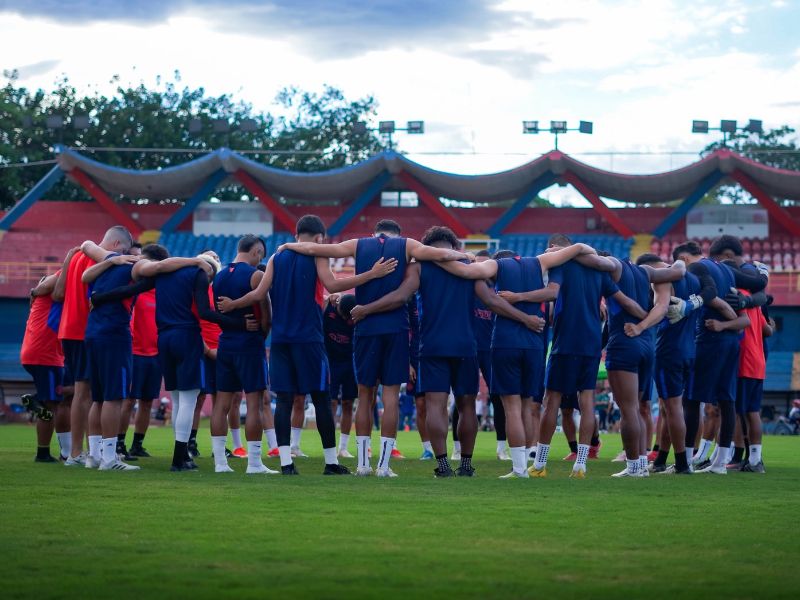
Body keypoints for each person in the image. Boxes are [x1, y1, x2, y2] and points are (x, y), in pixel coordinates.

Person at [278, 218, 467, 478]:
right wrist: (464, 255)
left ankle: (362, 466)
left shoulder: (358, 245)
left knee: (364, 397)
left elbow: (315, 249)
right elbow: (440, 253)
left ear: (374, 233)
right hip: (396, 329)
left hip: (365, 329)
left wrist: (289, 244)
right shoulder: (407, 245)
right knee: (390, 399)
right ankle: (383, 466)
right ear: (397, 235)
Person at [219, 214, 399, 475]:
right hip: (309, 339)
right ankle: (330, 463)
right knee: (321, 398)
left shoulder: (276, 258)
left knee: (283, 401)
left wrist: (233, 305)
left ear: (296, 236)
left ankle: (285, 463)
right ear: (318, 239)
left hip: (280, 340)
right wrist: (371, 274)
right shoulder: (317, 255)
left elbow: (258, 294)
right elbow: (333, 284)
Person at [436, 242, 604, 478]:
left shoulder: (496, 266)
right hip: (535, 344)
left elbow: (465, 272)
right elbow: (578, 248)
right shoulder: (541, 262)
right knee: (529, 408)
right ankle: (530, 462)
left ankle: (519, 469)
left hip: (505, 342)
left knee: (512, 409)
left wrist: (450, 255)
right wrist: (592, 256)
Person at [502, 235, 647, 479]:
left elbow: (551, 292)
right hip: (591, 344)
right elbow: (624, 302)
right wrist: (649, 318)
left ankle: (540, 464)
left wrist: (518, 297)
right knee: (587, 401)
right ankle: (581, 464)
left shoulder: (563, 265)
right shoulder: (599, 272)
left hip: (566, 342)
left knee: (552, 401)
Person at [351, 226, 484, 477]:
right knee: (467, 406)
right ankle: (466, 466)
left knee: (436, 406)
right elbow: (490, 299)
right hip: (466, 344)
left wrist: (366, 308)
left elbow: (400, 297)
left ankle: (443, 466)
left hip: (432, 345)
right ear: (453, 246)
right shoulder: (468, 267)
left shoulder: (419, 267)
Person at [672, 240, 758, 474]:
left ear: (686, 258)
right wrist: (728, 317)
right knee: (726, 400)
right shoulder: (726, 271)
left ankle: (686, 460)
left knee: (691, 399)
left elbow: (708, 293)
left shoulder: (696, 269)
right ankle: (720, 462)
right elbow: (744, 312)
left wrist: (709, 311)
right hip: (732, 342)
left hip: (708, 339)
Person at [60, 226, 134, 466]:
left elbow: (59, 292)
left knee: (86, 394)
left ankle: (86, 452)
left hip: (71, 328)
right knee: (87, 394)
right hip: (87, 330)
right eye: (123, 251)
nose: (124, 256)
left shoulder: (80, 256)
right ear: (115, 245)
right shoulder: (99, 258)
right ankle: (77, 453)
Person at [209, 234, 276, 475]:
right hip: (249, 343)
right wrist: (262, 333)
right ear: (257, 251)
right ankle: (255, 464)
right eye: (262, 254)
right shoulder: (255, 275)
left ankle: (220, 463)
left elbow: (216, 311)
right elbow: (266, 308)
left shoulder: (218, 277)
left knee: (222, 404)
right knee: (255, 403)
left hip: (225, 342)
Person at [80, 241, 142, 470]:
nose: (139, 261)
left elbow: (87, 252)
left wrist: (110, 260)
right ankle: (108, 458)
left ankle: (93, 456)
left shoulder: (103, 269)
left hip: (93, 335)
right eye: (137, 256)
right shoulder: (127, 269)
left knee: (97, 398)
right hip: (115, 337)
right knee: (113, 398)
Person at [21, 255, 75, 463]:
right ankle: (43, 453)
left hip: (42, 353)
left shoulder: (45, 294)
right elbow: (52, 284)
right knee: (52, 403)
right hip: (45, 355)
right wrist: (70, 258)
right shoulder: (60, 279)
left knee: (57, 399)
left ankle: (48, 451)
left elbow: (43, 287)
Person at [121, 243, 164, 460]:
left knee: (147, 402)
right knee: (128, 401)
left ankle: (137, 444)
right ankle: (119, 443)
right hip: (134, 352)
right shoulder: (134, 286)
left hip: (156, 356)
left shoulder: (163, 290)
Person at [473, 249, 509, 461]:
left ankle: (501, 448)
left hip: (493, 349)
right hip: (469, 348)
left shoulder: (500, 290)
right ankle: (458, 449)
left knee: (498, 397)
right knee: (464, 397)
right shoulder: (468, 287)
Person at [323, 293, 358, 458]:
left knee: (348, 403)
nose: (346, 319)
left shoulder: (355, 313)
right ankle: (330, 445)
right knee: (332, 402)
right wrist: (327, 300)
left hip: (350, 362)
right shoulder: (328, 308)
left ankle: (343, 448)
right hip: (331, 362)